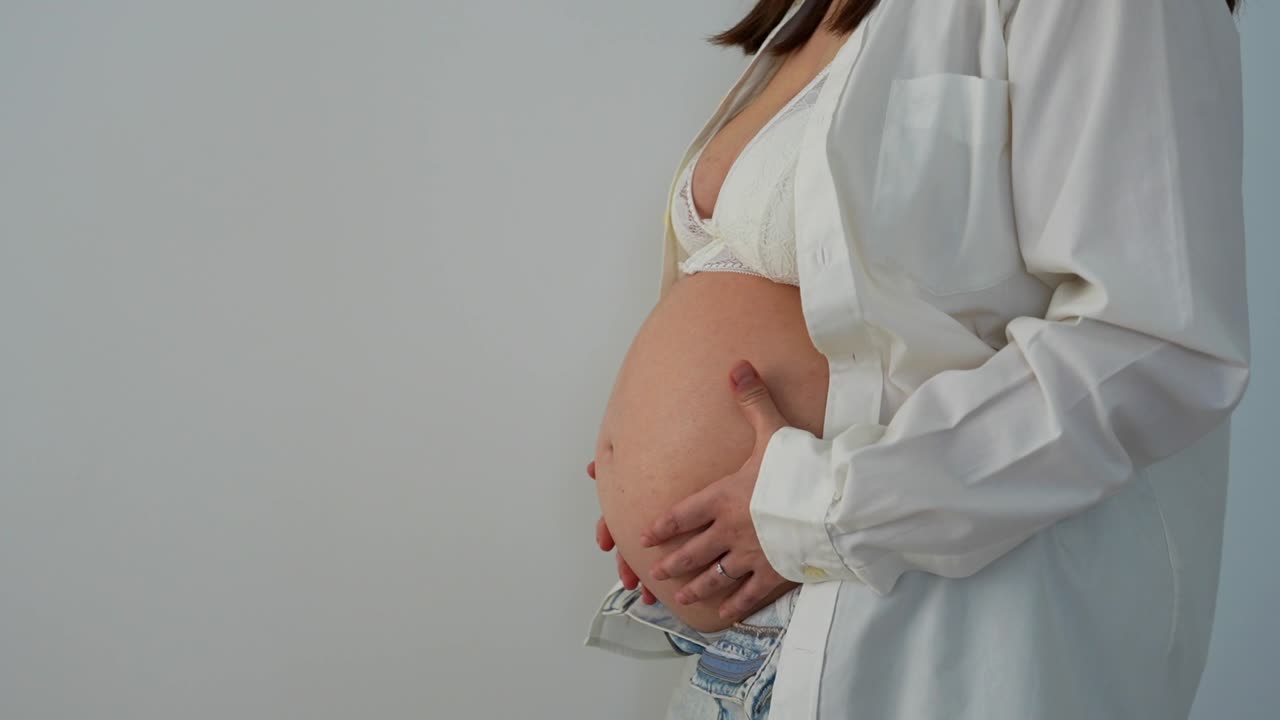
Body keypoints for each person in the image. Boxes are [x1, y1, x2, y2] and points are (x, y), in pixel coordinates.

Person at [584, 0, 1251, 718]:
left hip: (924, 634)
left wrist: (814, 507)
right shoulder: (818, 12)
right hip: (744, 644)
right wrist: (663, 497)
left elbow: (1152, 346)